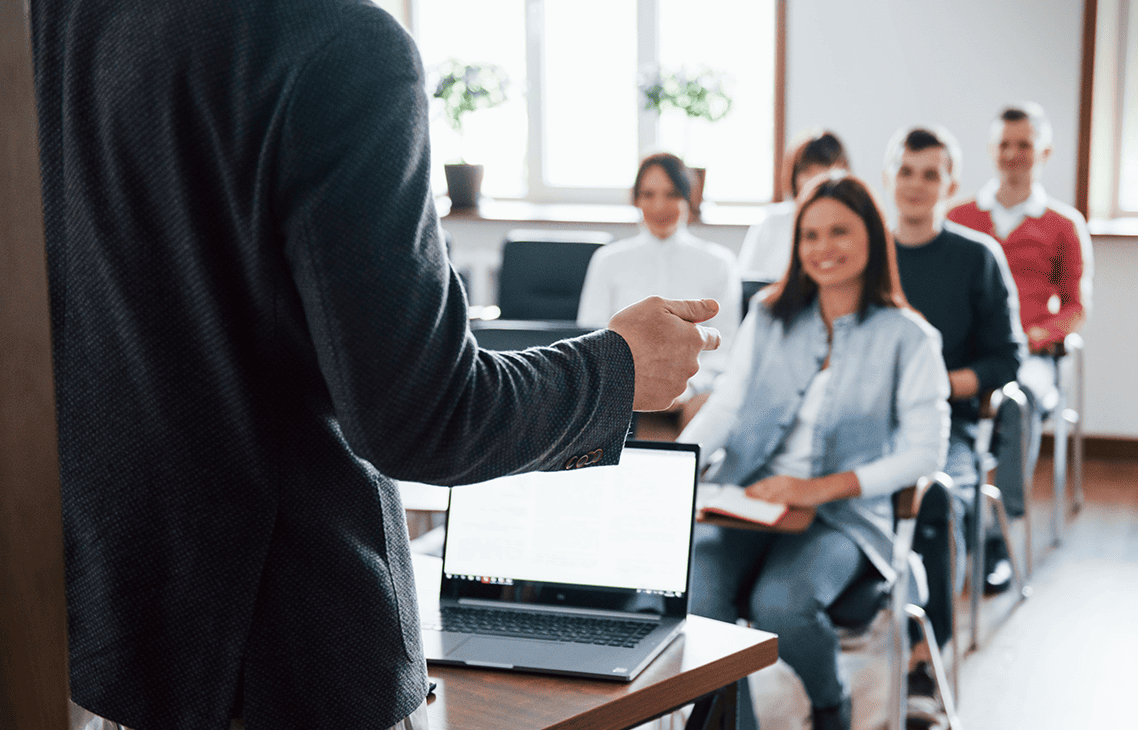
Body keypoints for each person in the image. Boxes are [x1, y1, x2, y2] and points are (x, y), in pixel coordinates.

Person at [31, 2, 719, 729]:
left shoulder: (60, 20)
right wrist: (617, 369)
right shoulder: (332, 42)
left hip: (119, 633)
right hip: (284, 658)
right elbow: (425, 418)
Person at [679, 173, 950, 730]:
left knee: (782, 604)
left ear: (872, 238)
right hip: (747, 497)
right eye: (810, 235)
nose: (823, 248)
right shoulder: (770, 316)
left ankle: (830, 705)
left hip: (842, 515)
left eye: (840, 232)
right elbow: (726, 408)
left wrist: (818, 488)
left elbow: (926, 452)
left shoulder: (909, 337)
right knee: (698, 600)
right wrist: (675, 470)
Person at [883, 125, 1025, 654]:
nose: (915, 185)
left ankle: (927, 655)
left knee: (936, 499)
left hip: (948, 423)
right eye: (905, 171)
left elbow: (1007, 359)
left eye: (929, 175)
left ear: (951, 183)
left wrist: (936, 385)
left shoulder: (977, 257)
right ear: (888, 176)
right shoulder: (864, 255)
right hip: (867, 423)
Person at [946, 102, 1094, 537]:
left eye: (1024, 145)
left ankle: (997, 530)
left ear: (1044, 152)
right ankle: (946, 516)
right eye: (1004, 145)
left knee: (1019, 397)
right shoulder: (959, 217)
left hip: (1029, 353)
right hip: (968, 351)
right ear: (991, 151)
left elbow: (1075, 306)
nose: (1013, 154)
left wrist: (1036, 336)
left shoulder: (1065, 225)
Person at [578, 152, 741, 420]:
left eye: (671, 194)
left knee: (709, 408)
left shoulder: (719, 263)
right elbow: (591, 335)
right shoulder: (608, 261)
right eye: (649, 194)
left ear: (688, 197)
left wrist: (688, 389)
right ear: (636, 199)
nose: (659, 206)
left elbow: (726, 345)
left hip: (692, 392)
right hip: (623, 390)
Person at [737, 130, 851, 281]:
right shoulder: (772, 223)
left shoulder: (854, 221)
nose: (816, 180)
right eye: (808, 171)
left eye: (824, 170)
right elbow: (747, 281)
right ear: (794, 176)